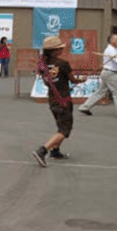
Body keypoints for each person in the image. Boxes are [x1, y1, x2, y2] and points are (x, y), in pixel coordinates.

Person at [32, 36, 87, 167]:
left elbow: (47, 83)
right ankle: (42, 150)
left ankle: (55, 151)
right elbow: (73, 80)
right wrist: (82, 79)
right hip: (64, 100)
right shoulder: (63, 64)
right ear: (55, 50)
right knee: (64, 130)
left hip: (52, 100)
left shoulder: (43, 65)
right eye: (60, 47)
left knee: (60, 126)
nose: (62, 48)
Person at [78, 34, 117, 120]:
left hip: (107, 73)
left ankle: (84, 107)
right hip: (110, 74)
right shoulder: (110, 50)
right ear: (111, 41)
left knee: (100, 92)